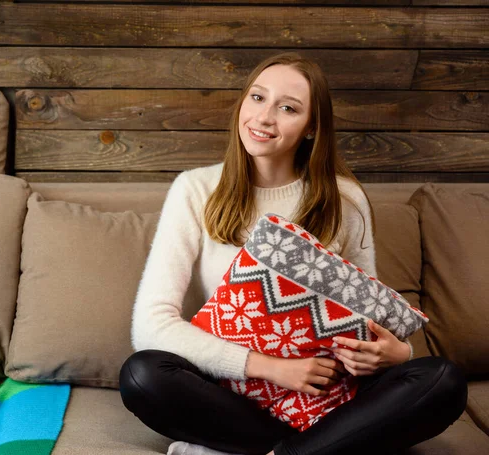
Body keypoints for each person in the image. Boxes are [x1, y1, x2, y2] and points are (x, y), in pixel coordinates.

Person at [119, 53, 467, 455]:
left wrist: (395, 352)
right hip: (232, 394)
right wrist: (272, 368)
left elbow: (369, 315)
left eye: (287, 108)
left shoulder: (345, 199)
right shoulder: (195, 189)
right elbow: (150, 325)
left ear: (311, 128)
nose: (264, 117)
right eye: (257, 98)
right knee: (142, 375)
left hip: (328, 396)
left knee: (442, 380)